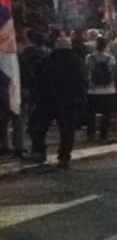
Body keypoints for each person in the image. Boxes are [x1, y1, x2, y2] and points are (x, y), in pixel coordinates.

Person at [27, 30, 85, 168]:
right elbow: (81, 81)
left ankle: (39, 150)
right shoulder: (76, 62)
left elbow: (38, 79)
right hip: (68, 101)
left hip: (47, 100)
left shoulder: (46, 61)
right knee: (67, 131)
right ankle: (64, 157)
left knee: (39, 127)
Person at [84, 36, 117, 142]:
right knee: (106, 114)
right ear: (106, 45)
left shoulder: (89, 57)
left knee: (90, 113)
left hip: (92, 89)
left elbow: (87, 72)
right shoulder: (111, 58)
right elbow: (113, 72)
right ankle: (103, 135)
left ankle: (91, 134)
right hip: (108, 89)